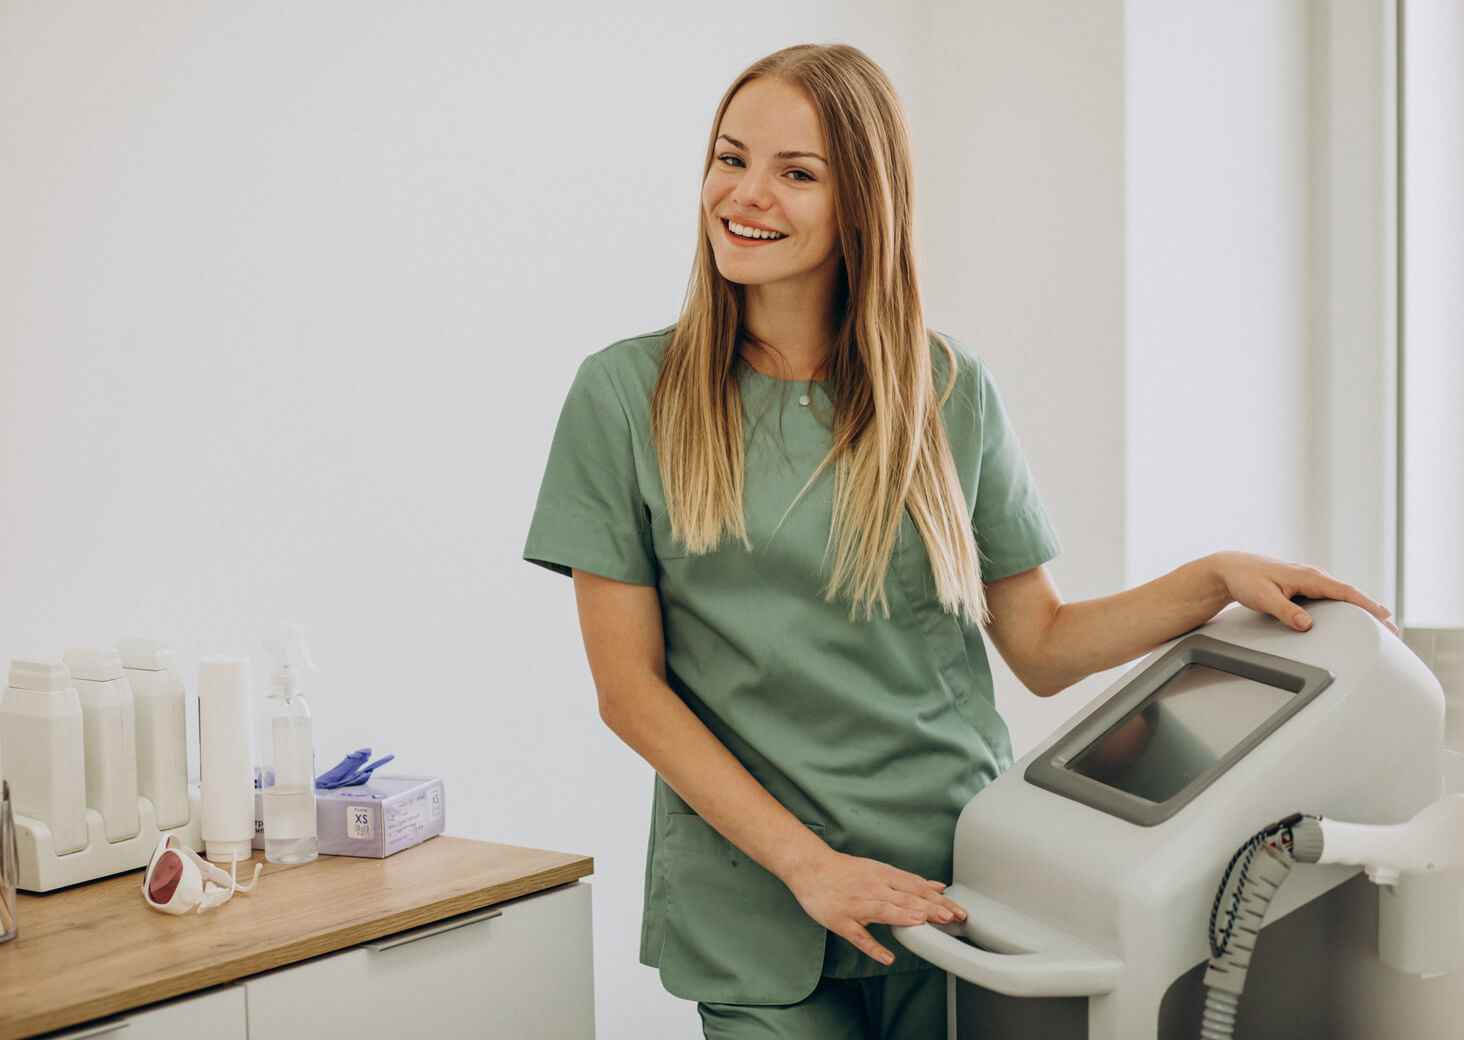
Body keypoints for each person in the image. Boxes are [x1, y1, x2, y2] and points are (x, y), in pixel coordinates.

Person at [523, 43, 1392, 1040]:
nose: (744, 194)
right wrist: (809, 862)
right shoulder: (626, 395)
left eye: (795, 172)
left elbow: (1042, 643)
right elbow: (629, 689)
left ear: (863, 201)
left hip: (954, 873)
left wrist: (1209, 579)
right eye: (730, 158)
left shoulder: (947, 390)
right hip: (754, 889)